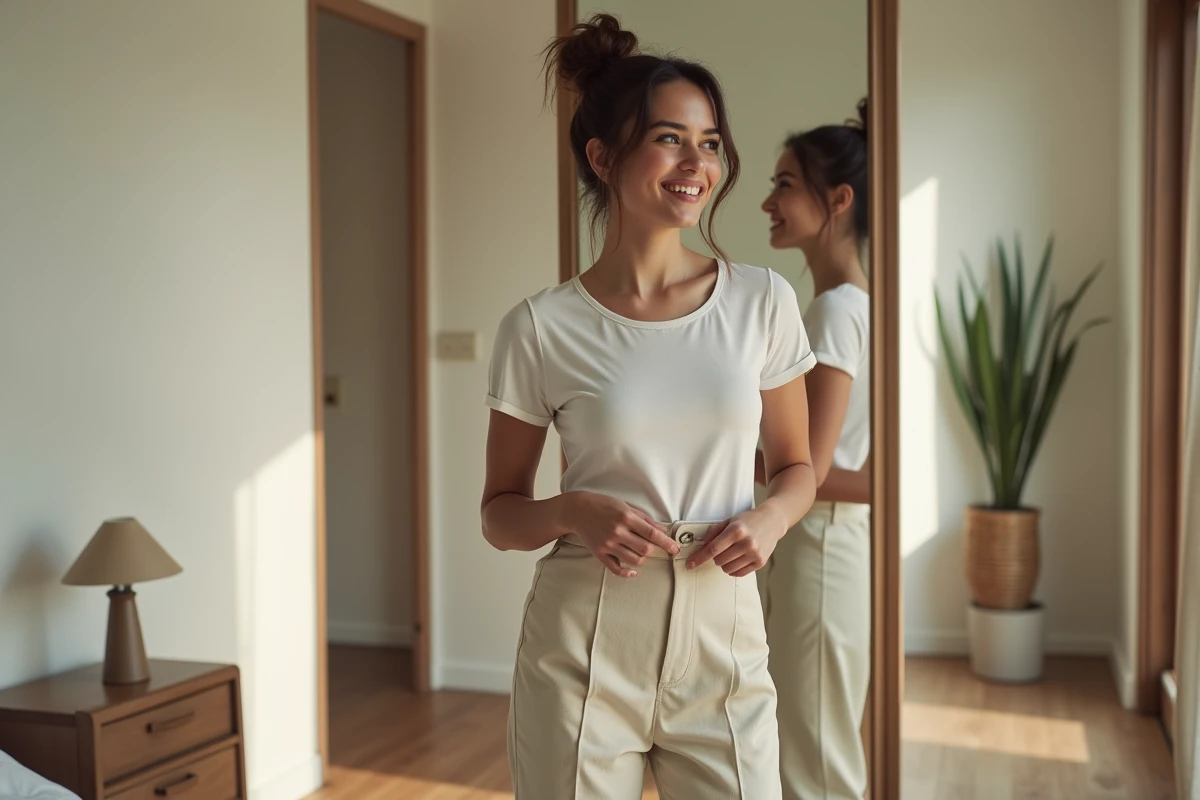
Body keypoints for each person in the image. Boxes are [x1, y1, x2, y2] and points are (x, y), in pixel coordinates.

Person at [480, 14, 819, 800]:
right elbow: (499, 515)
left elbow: (799, 467)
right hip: (582, 644)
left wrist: (769, 519)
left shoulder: (761, 301)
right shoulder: (539, 327)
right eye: (670, 138)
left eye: (708, 142)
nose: (696, 163)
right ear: (603, 157)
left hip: (725, 635)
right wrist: (572, 510)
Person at [756, 101, 873, 800]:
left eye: (785, 184)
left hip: (821, 554)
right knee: (812, 751)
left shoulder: (835, 310)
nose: (768, 201)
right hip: (823, 550)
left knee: (815, 767)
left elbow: (810, 468)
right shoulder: (847, 304)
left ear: (838, 200)